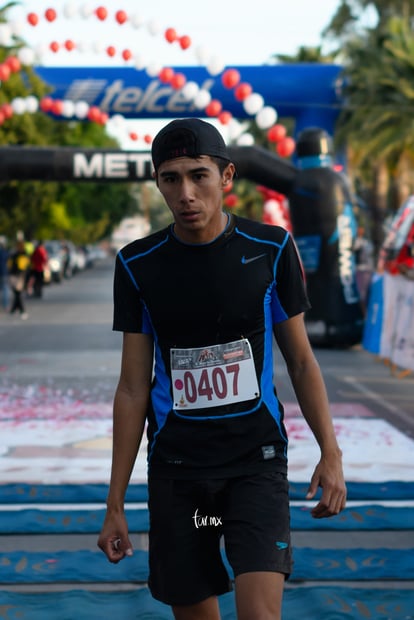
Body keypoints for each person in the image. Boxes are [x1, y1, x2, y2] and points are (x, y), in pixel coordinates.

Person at [98, 118, 347, 620]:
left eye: (199, 175)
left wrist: (331, 451)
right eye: (171, 179)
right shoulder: (137, 265)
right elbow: (131, 389)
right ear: (158, 183)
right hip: (180, 472)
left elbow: (300, 360)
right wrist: (115, 502)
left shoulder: (270, 249)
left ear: (227, 176)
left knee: (260, 615)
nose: (186, 192)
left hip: (254, 465)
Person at [7, 238, 30, 319]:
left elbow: (11, 265)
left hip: (16, 276)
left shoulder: (16, 254)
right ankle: (18, 310)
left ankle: (18, 310)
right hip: (18, 276)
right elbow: (25, 267)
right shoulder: (22, 254)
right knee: (17, 293)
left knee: (17, 293)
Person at [0, 236, 9, 311]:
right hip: (4, 272)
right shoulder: (4, 252)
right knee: (5, 289)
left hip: (3, 272)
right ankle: (5, 305)